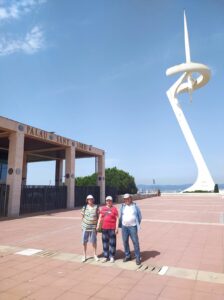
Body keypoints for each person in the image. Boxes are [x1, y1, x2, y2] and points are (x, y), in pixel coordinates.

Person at [119, 193, 142, 265]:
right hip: (124, 227)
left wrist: (136, 223)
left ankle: (138, 257)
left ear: (130, 198)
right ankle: (128, 255)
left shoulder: (135, 206)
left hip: (133, 226)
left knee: (135, 242)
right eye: (125, 199)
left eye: (128, 198)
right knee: (125, 242)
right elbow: (121, 215)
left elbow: (139, 216)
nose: (126, 200)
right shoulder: (122, 206)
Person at [97, 195, 119, 263]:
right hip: (104, 228)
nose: (108, 202)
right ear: (106, 201)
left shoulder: (114, 209)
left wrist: (117, 228)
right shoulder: (103, 208)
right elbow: (100, 217)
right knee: (105, 242)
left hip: (112, 228)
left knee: (112, 242)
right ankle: (106, 256)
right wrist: (98, 225)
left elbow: (117, 218)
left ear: (112, 201)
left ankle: (112, 256)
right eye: (107, 200)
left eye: (110, 201)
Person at [81, 194, 99, 262]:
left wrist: (98, 226)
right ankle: (84, 255)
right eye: (88, 199)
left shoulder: (96, 207)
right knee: (84, 241)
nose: (90, 200)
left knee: (94, 241)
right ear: (87, 200)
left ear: (93, 200)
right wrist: (82, 225)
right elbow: (82, 216)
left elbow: (98, 216)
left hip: (93, 227)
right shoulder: (84, 207)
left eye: (91, 199)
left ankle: (95, 254)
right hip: (85, 227)